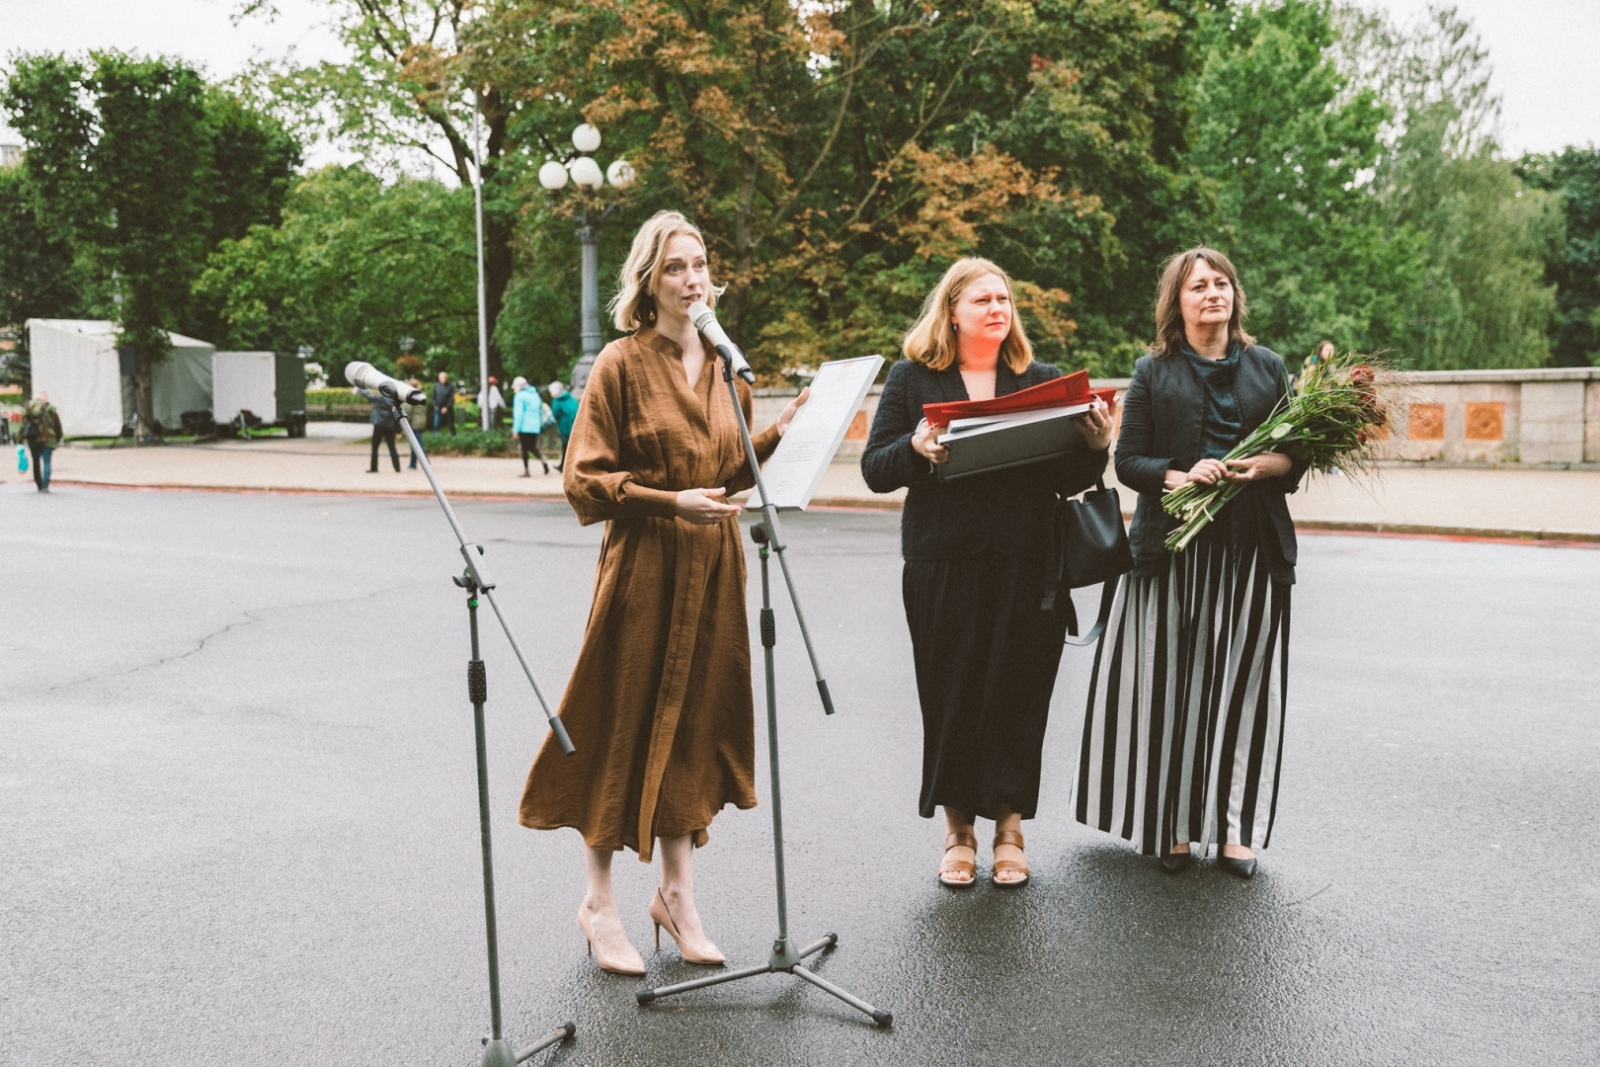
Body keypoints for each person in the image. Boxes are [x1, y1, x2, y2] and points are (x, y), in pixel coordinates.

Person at [517, 210, 808, 975]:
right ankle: (599, 903)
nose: (693, 277)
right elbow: (583, 478)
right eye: (677, 266)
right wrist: (669, 501)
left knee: (690, 727)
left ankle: (677, 896)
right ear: (649, 281)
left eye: (701, 263)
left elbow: (731, 468)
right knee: (621, 722)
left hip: (713, 575)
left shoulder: (723, 366)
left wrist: (787, 432)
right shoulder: (619, 362)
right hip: (643, 573)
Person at [861, 258, 1114, 890]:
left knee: (1018, 695)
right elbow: (875, 467)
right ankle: (958, 832)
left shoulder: (1044, 379)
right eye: (983, 300)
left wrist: (1095, 446)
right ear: (952, 311)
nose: (998, 308)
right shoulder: (912, 378)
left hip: (1029, 563)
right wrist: (916, 450)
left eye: (1004, 299)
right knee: (951, 695)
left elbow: (1067, 480)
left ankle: (1009, 829)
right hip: (942, 562)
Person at [1074, 247, 1305, 880]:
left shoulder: (1270, 367)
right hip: (1175, 551)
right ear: (1177, 302)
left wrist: (1263, 466)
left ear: (1235, 294)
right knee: (1172, 690)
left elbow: (1298, 456)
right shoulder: (1153, 372)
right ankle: (1173, 828)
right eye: (1198, 285)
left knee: (1244, 693)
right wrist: (1181, 474)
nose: (1213, 293)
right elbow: (1128, 464)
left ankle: (1235, 832)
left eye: (1222, 282)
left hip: (1254, 554)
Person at [20, 391, 63, 493]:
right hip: (48, 439)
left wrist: (20, 438)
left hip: (33, 439)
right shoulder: (50, 409)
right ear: (45, 399)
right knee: (47, 461)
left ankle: (38, 484)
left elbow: (23, 424)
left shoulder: (29, 408)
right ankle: (45, 485)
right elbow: (57, 426)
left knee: (35, 462)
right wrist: (58, 437)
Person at [356, 384, 403, 472]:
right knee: (392, 446)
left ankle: (374, 468)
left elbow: (368, 395)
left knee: (375, 447)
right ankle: (397, 467)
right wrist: (398, 430)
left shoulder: (379, 398)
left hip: (379, 424)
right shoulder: (394, 401)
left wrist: (360, 389)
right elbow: (397, 416)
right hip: (390, 426)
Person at [511, 376, 548, 476]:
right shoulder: (535, 395)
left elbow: (518, 414)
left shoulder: (520, 396)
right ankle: (543, 459)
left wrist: (515, 429)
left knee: (524, 448)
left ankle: (526, 470)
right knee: (532, 447)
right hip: (535, 427)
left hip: (524, 427)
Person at [548, 380, 578, 471]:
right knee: (573, 447)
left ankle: (564, 467)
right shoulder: (571, 398)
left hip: (565, 426)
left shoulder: (557, 400)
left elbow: (555, 414)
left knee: (566, 446)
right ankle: (564, 466)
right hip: (576, 425)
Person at [405, 379, 428, 470]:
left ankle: (425, 461)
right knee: (415, 444)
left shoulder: (412, 396)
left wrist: (406, 421)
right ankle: (412, 464)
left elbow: (408, 411)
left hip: (415, 423)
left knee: (417, 444)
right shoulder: (422, 395)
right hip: (422, 421)